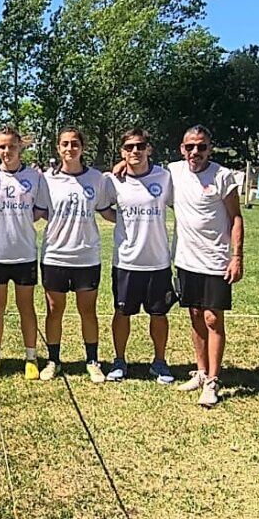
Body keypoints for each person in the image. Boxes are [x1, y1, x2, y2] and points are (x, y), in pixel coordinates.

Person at [169, 125, 244, 408]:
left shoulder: (223, 176)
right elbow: (143, 169)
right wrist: (121, 166)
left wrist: (237, 257)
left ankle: (213, 381)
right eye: (190, 147)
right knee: (196, 315)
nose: (195, 152)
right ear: (182, 149)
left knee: (213, 319)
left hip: (216, 261)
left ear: (210, 148)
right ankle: (201, 372)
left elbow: (236, 217)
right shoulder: (173, 172)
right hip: (186, 260)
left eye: (201, 146)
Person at [102, 128, 176, 384]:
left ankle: (160, 362)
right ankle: (119, 361)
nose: (135, 151)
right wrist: (122, 220)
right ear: (122, 151)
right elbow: (104, 208)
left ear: (149, 149)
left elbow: (178, 204)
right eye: (129, 147)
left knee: (159, 314)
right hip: (126, 261)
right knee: (122, 313)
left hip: (158, 262)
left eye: (141, 146)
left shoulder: (164, 177)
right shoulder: (113, 180)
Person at [40, 127, 114, 383]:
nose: (69, 148)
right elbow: (39, 211)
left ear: (82, 148)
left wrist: (134, 221)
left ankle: (92, 361)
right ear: (58, 148)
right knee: (54, 310)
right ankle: (53, 360)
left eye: (74, 144)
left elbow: (106, 211)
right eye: (65, 144)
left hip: (87, 256)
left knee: (88, 311)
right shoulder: (47, 179)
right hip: (55, 255)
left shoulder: (97, 179)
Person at [0, 126, 48, 380]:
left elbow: (40, 209)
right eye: (2, 146)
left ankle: (31, 357)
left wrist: (20, 221)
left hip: (24, 254)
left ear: (20, 146)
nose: (7, 151)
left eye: (11, 146)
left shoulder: (35, 176)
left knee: (26, 307)